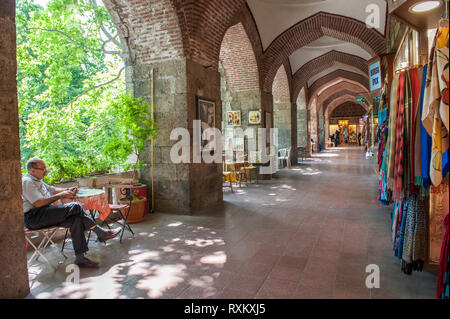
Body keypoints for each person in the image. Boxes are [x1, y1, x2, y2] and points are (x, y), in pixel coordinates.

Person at [22, 157, 121, 268]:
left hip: (45, 213)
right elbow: (38, 203)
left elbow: (52, 189)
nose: (45, 171)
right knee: (76, 206)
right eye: (43, 169)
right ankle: (101, 232)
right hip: (35, 217)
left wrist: (68, 189)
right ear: (32, 170)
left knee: (76, 220)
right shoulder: (27, 182)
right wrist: (62, 195)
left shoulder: (37, 180)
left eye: (46, 168)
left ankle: (80, 258)